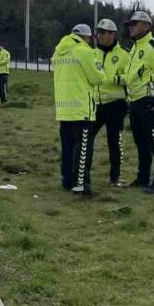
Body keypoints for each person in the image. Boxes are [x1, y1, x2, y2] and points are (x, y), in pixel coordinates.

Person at [122, 10, 154, 194]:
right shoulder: (135, 47)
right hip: (134, 101)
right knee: (141, 142)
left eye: (134, 24)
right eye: (129, 25)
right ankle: (142, 177)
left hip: (148, 101)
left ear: (145, 25)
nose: (130, 28)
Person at [52, 23, 105, 195]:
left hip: (64, 109)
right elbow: (98, 77)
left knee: (67, 147)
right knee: (83, 148)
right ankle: (80, 184)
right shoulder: (83, 51)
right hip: (81, 108)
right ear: (87, 37)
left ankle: (66, 180)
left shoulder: (59, 51)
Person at [91, 19, 130, 187]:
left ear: (111, 34)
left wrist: (114, 79)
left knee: (114, 141)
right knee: (87, 138)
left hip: (116, 104)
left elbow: (131, 77)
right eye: (98, 32)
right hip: (96, 103)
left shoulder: (124, 54)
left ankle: (115, 177)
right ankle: (83, 175)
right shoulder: (93, 53)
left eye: (102, 32)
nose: (99, 36)